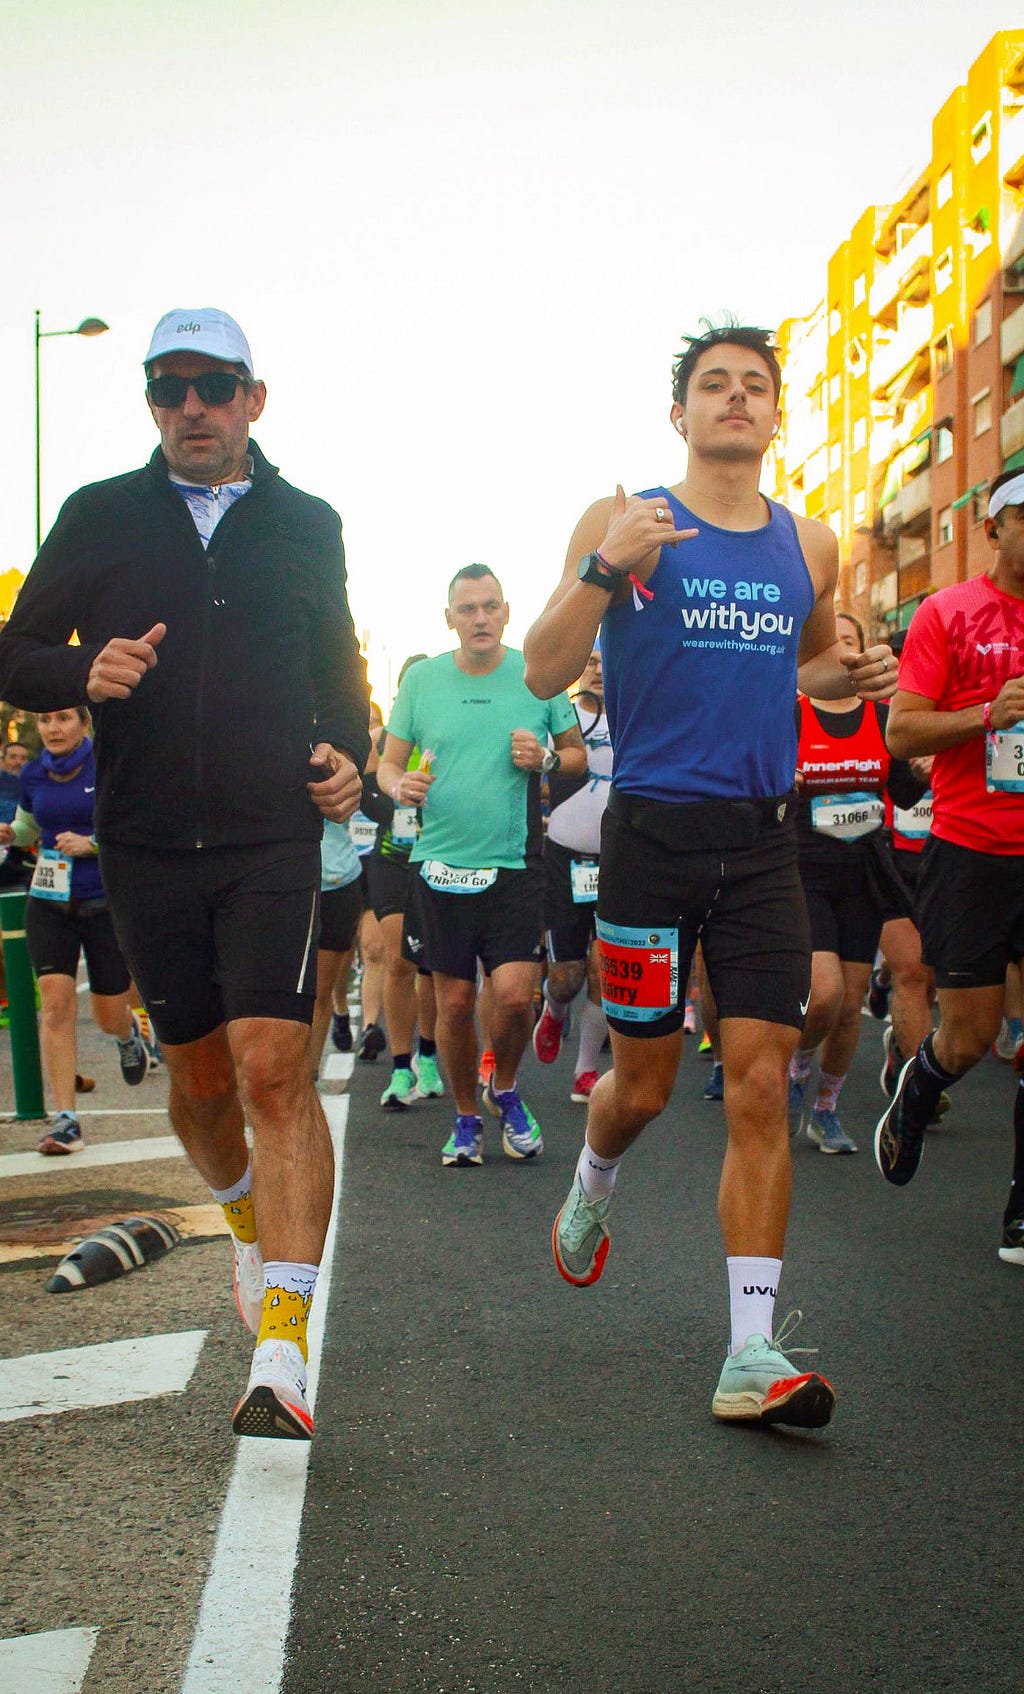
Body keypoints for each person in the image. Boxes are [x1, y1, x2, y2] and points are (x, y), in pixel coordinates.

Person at [0, 307, 369, 1437]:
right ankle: (243, 1223)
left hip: (268, 836)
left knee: (273, 1070)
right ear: (152, 403)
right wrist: (77, 664)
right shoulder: (101, 515)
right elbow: (12, 649)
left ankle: (285, 1349)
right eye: (169, 388)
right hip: (148, 841)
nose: (191, 407)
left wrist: (347, 755)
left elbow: (337, 658)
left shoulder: (308, 521)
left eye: (213, 385)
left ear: (255, 398)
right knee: (203, 1084)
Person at [524, 319, 896, 1427]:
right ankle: (592, 1181)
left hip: (760, 842)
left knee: (756, 1083)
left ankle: (752, 1350)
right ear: (678, 413)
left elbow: (808, 654)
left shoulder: (809, 541)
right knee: (636, 1088)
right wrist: (605, 567)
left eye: (755, 387)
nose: (736, 400)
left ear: (778, 414)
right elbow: (548, 667)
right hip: (648, 838)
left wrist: (858, 666)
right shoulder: (624, 518)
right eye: (713, 385)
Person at [377, 564, 585, 1166]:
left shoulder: (537, 675)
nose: (480, 618)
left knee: (517, 997)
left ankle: (507, 1085)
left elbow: (576, 759)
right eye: (467, 609)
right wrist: (400, 785)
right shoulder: (422, 681)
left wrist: (545, 756)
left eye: (490, 606)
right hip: (440, 864)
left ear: (506, 613)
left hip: (517, 864)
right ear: (450, 620)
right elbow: (386, 764)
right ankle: (466, 1117)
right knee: (456, 1005)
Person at [875, 467, 1024, 1269]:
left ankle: (1021, 1214)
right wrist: (985, 714)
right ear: (995, 529)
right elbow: (900, 734)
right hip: (971, 849)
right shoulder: (948, 613)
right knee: (969, 1039)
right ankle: (923, 1083)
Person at [785, 611, 920, 1154]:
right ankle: (797, 1066)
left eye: (849, 642)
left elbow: (907, 794)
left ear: (864, 654)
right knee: (825, 995)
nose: (839, 651)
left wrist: (922, 771)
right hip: (805, 871)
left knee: (851, 1003)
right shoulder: (789, 716)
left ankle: (826, 1110)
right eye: (829, 642)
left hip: (864, 870)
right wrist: (780, 783)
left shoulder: (886, 716)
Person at [0, 706, 148, 1151]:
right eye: (45, 721)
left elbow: (133, 822)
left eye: (63, 718)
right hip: (48, 898)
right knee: (56, 1006)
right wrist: (11, 832)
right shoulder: (32, 774)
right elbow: (31, 822)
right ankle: (66, 1119)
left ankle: (128, 1034)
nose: (53, 728)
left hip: (104, 900)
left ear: (84, 724)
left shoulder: (106, 763)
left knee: (107, 1015)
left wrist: (92, 843)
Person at [532, 648, 613, 1102]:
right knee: (568, 976)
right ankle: (554, 1005)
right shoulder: (559, 722)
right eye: (590, 661)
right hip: (565, 856)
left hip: (617, 861)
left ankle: (585, 1070)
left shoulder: (634, 712)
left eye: (606, 661)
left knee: (605, 967)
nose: (598, 670)